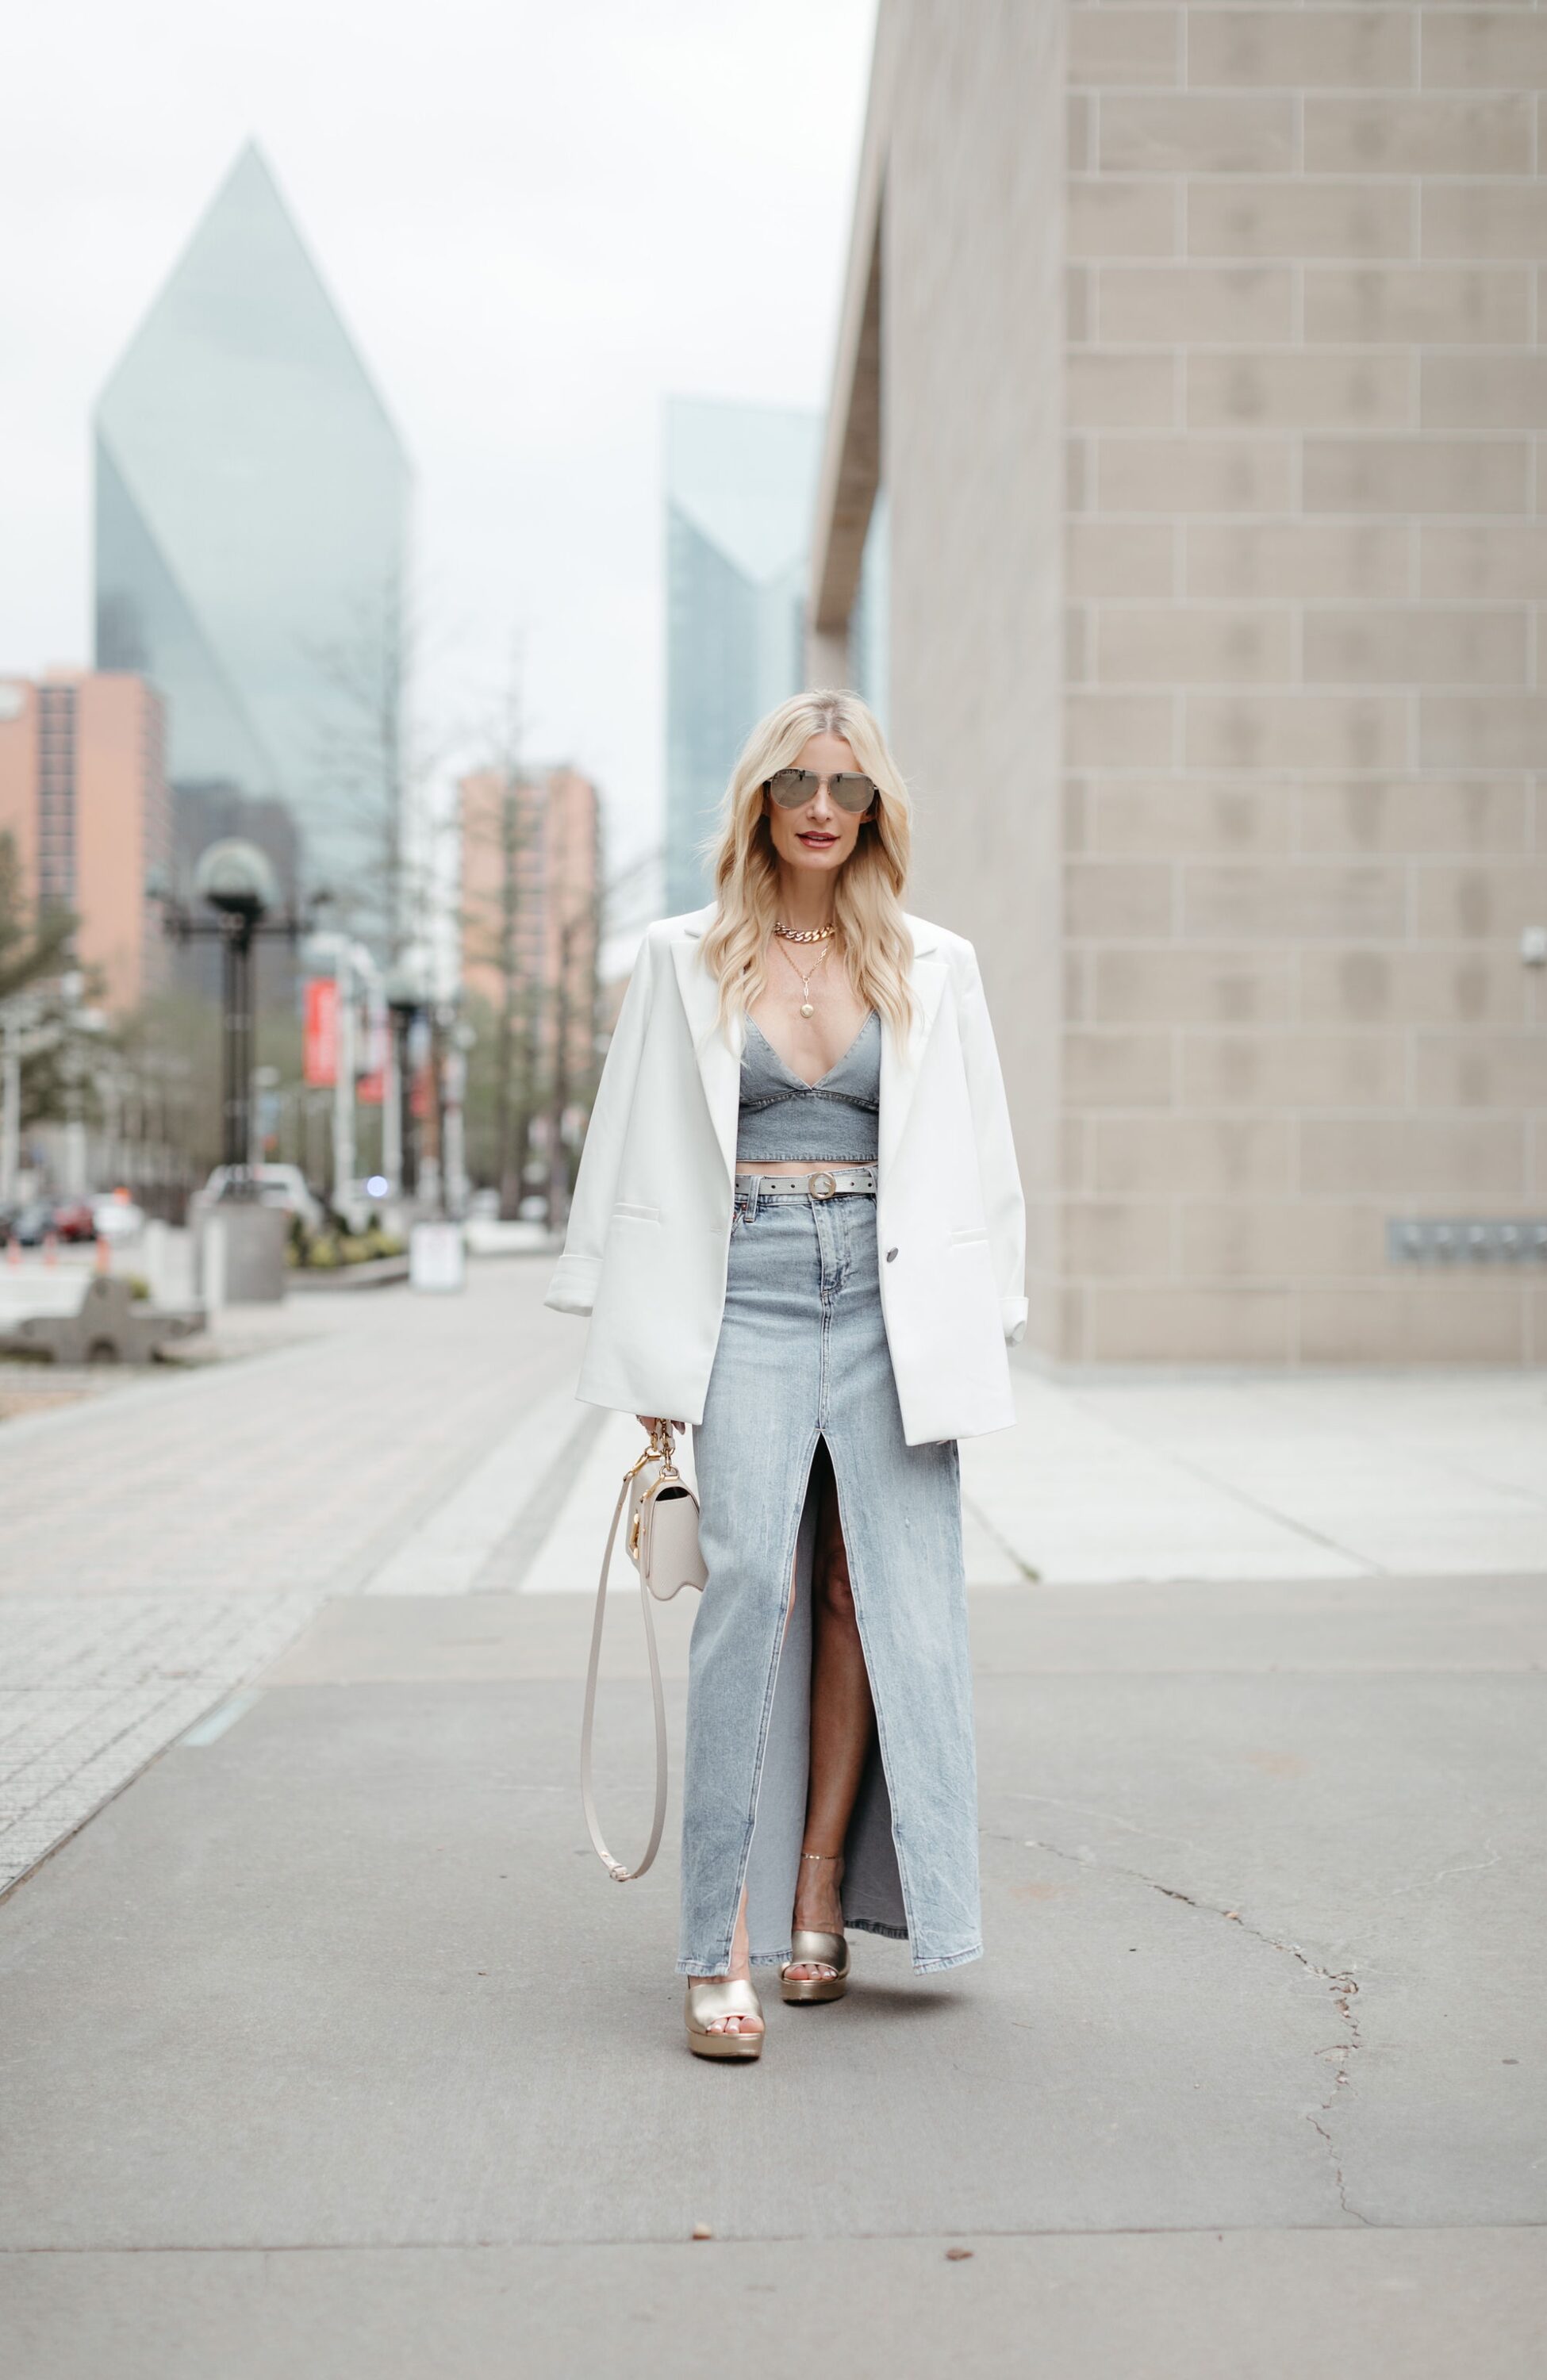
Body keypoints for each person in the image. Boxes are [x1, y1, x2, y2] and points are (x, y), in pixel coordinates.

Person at [545, 689, 1026, 2060]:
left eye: (852, 787)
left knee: (872, 1589)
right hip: (743, 1287)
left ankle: (820, 1887)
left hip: (885, 1303)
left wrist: (983, 1318)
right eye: (802, 780)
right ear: (761, 795)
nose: (825, 805)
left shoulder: (936, 965)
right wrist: (636, 1340)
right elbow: (626, 1151)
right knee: (748, 1587)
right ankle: (719, 1945)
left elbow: (982, 1163)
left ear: (876, 813)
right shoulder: (681, 958)